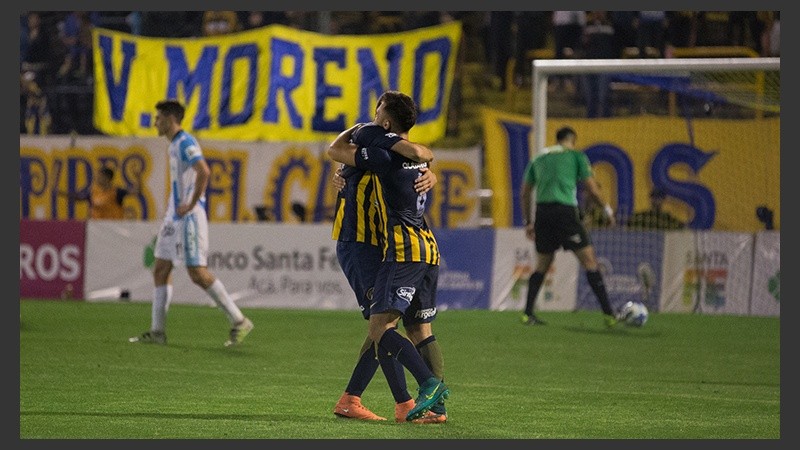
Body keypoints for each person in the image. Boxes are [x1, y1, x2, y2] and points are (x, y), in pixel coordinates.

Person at [327, 91, 449, 423]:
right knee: (392, 324)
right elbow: (417, 154)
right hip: (361, 242)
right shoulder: (398, 153)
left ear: (384, 122)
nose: (373, 114)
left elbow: (336, 150)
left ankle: (371, 400)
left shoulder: (379, 152)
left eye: (378, 110)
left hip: (383, 243)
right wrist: (428, 163)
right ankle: (405, 403)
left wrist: (429, 166)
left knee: (383, 325)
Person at [129, 99, 253, 347]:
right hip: (174, 217)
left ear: (170, 119)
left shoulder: (185, 142)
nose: (155, 122)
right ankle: (157, 332)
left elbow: (204, 171)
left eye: (158, 118)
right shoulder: (174, 144)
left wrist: (191, 202)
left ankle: (239, 320)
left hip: (189, 217)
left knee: (197, 272)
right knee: (161, 269)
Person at [519, 125, 619, 327]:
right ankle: (609, 314)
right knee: (589, 261)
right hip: (565, 212)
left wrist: (528, 222)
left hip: (543, 213)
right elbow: (592, 189)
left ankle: (527, 313)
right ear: (572, 140)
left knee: (542, 264)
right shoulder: (576, 156)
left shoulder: (538, 158)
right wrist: (607, 210)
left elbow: (525, 192)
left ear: (557, 140)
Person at [59, 165, 134, 219]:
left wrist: (138, 178)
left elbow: (136, 192)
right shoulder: (94, 191)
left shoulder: (117, 192)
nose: (97, 178)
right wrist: (63, 194)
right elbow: (79, 198)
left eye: (99, 176)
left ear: (107, 178)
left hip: (114, 228)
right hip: (96, 229)